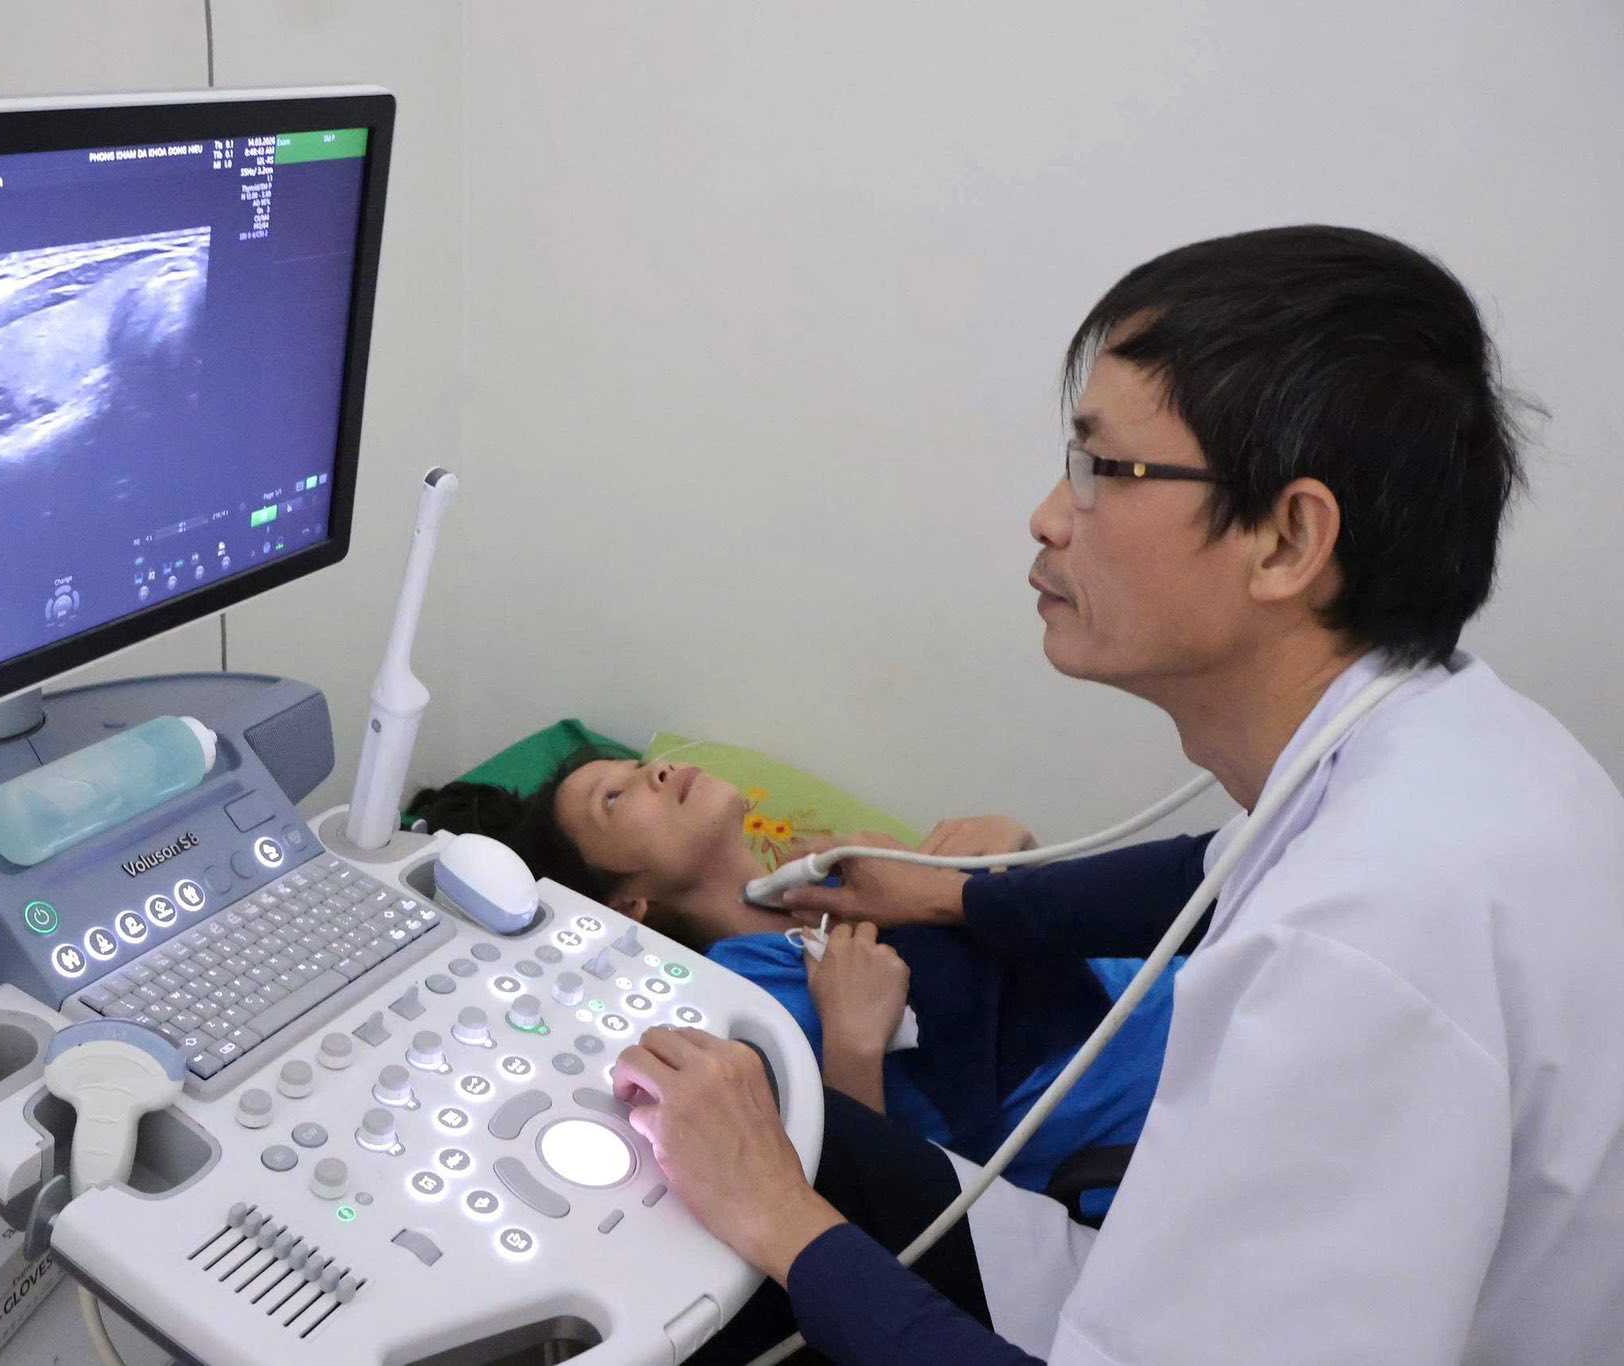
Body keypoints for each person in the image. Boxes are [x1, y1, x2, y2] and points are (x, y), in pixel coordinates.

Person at [604, 225, 1624, 1363]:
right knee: (823, 1138)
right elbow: (1201, 868)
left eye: (1102, 468)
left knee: (782, 1192)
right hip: (1162, 1281)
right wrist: (952, 898)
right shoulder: (1447, 745)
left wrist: (778, 1220)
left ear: (1286, 538)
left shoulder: (1367, 939)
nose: (1048, 515)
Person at [413, 760, 1203, 1211]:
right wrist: (854, 1043)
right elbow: (848, 1214)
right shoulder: (731, 1002)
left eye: (636, 768)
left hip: (1193, 984)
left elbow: (1044, 934)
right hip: (1169, 1113)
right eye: (616, 799)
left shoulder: (848, 871)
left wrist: (1007, 860)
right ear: (627, 903)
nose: (653, 769)